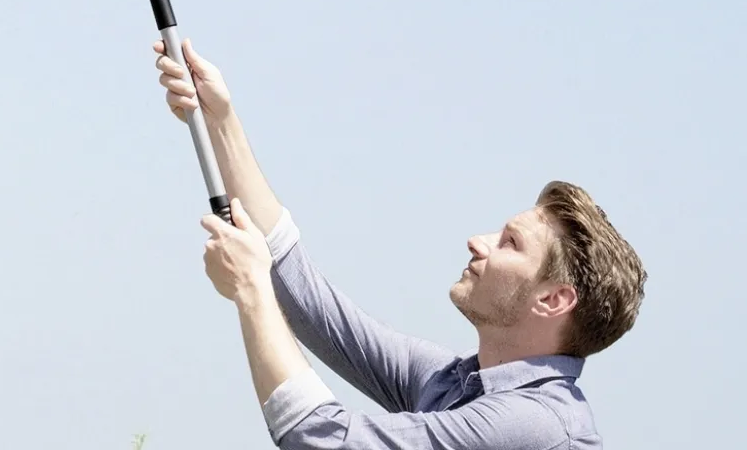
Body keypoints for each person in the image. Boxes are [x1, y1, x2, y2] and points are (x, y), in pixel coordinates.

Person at [154, 39, 646, 450]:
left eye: (510, 243)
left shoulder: (535, 426)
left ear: (552, 299)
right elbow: (308, 300)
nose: (478, 243)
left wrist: (251, 291)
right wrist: (220, 120)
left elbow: (320, 439)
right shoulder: (449, 383)